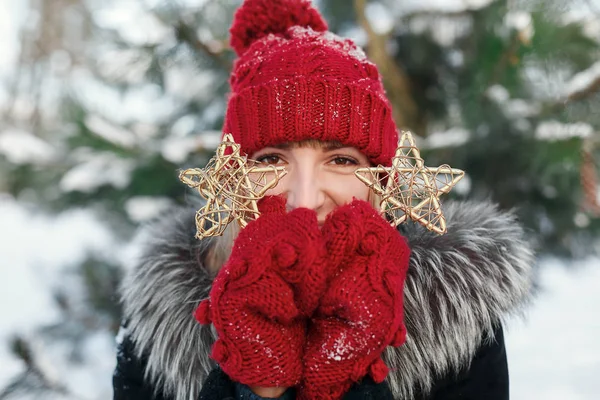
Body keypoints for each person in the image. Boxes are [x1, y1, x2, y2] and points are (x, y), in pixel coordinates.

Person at [112, 0, 535, 399]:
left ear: (380, 179)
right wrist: (255, 387)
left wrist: (347, 380)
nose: (303, 198)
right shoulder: (158, 323)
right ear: (235, 173)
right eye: (272, 158)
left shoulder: (457, 321)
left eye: (341, 159)